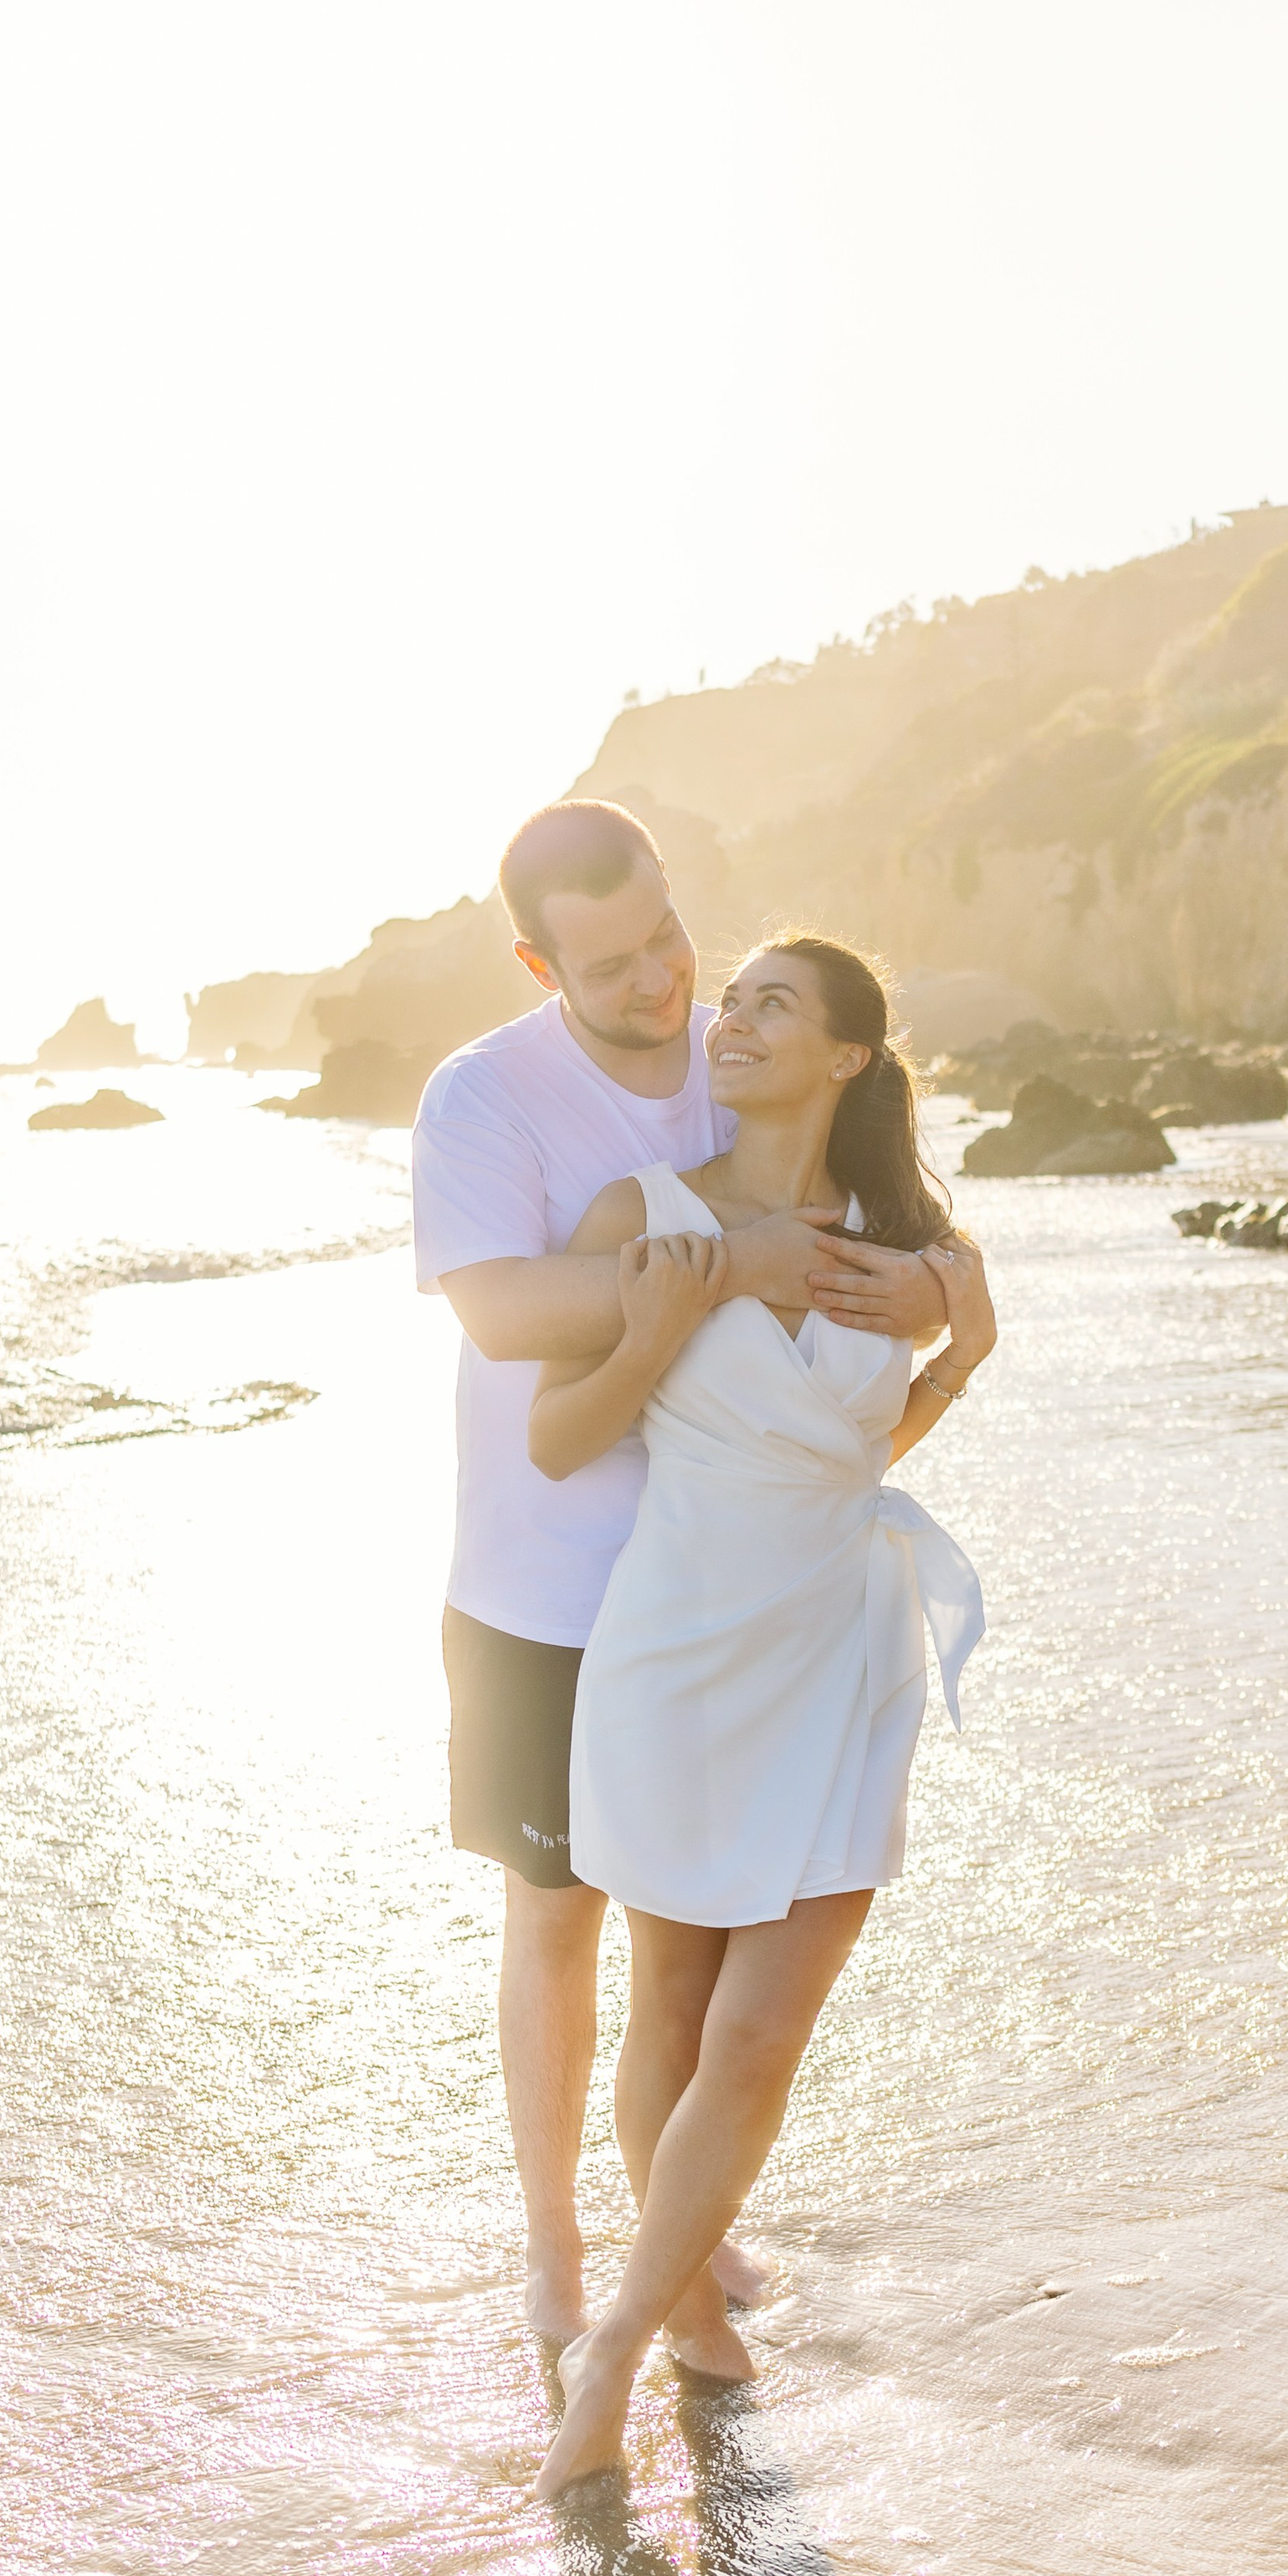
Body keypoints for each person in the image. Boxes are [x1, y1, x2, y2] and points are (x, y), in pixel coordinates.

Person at [410, 803, 951, 2342]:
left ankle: (687, 2227)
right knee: (559, 1911)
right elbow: (505, 1316)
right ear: (537, 961)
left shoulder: (737, 1048)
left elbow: (867, 1214)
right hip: (551, 1583)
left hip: (740, 1585)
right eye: (614, 962)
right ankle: (552, 2243)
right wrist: (727, 1274)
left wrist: (925, 1289)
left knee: (715, 1940)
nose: (663, 982)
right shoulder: (488, 1096)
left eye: (669, 936)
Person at [526, 933, 997, 2499]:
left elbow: (857, 1452)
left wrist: (966, 1350)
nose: (733, 1020)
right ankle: (683, 2316)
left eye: (772, 1005)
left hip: (842, 1655)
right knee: (669, 2008)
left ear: (849, 1056)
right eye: (732, 1000)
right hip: (677, 1655)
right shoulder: (641, 1221)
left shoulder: (907, 1241)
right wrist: (656, 1329)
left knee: (761, 2030)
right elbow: (555, 1439)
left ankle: (614, 2350)